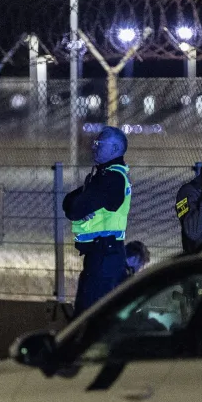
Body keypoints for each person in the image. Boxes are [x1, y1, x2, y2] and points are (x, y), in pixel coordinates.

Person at [63, 126, 132, 316]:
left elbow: (75, 209)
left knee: (88, 315)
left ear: (115, 148)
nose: (94, 147)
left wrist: (78, 205)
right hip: (106, 254)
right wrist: (78, 203)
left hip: (104, 257)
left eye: (99, 143)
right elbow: (69, 200)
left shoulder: (111, 178)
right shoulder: (106, 175)